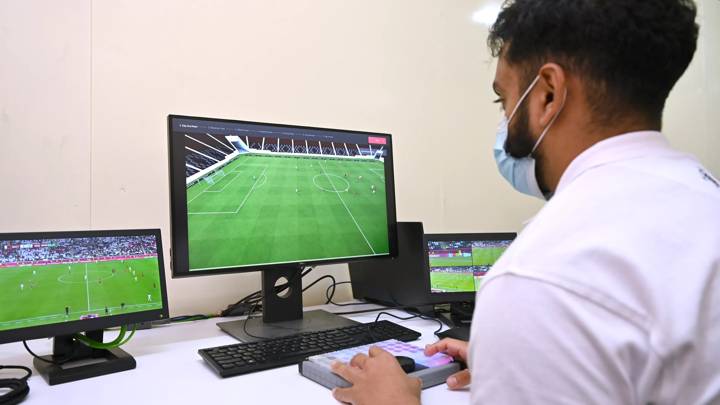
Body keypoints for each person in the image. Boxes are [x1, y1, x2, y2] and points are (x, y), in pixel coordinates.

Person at [329, 1, 720, 404]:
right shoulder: (707, 197)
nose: (505, 120)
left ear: (548, 94)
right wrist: (519, 362)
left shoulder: (539, 277)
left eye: (504, 99)